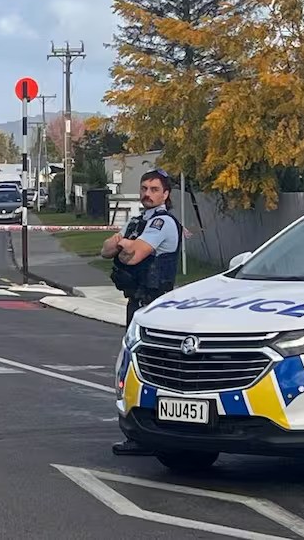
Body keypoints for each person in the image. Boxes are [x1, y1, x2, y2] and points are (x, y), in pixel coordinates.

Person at [101, 168, 181, 457]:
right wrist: (123, 243)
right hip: (136, 304)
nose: (147, 194)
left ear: (165, 194)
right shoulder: (138, 221)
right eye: (144, 188)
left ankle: (159, 433)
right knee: (133, 369)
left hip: (156, 306)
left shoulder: (162, 223)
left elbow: (133, 256)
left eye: (154, 189)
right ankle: (140, 433)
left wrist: (123, 244)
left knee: (153, 370)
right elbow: (105, 250)